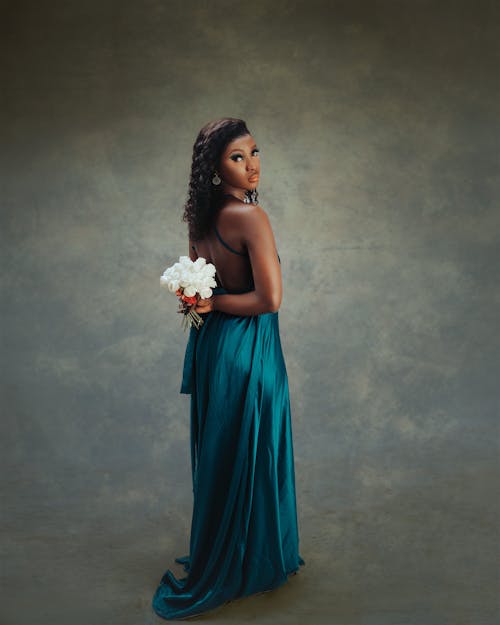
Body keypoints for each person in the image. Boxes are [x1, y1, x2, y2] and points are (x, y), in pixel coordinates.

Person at [152, 118, 305, 620]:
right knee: (255, 448)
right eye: (237, 157)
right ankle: (252, 561)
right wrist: (213, 303)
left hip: (214, 350)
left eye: (255, 152)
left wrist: (206, 302)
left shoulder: (200, 217)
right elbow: (270, 298)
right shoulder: (250, 218)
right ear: (216, 168)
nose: (252, 164)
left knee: (227, 451)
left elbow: (196, 288)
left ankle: (234, 550)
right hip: (248, 351)